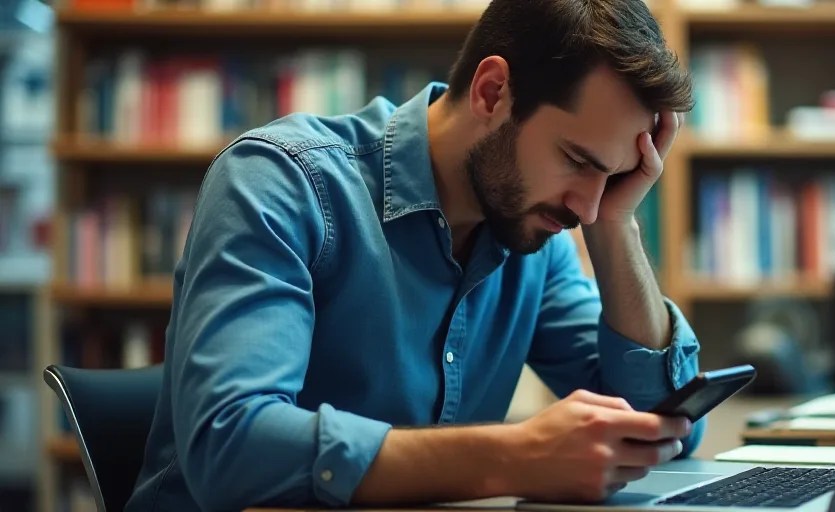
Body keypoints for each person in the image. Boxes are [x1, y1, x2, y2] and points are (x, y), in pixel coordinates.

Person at [125, 0, 703, 510]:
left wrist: (618, 224)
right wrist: (514, 456)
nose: (587, 205)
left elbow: (661, 422)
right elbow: (229, 447)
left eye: (614, 177)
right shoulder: (283, 183)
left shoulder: (535, 232)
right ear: (492, 93)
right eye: (579, 160)